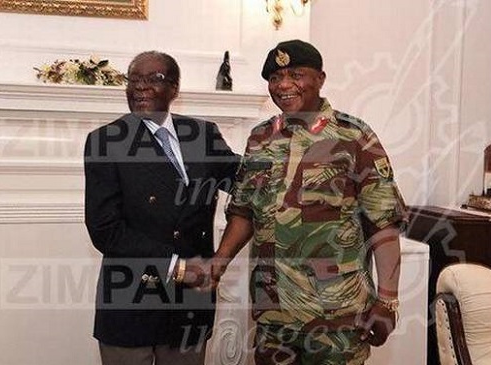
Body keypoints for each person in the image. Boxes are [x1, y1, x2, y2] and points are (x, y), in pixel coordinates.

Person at [211, 40, 407, 364]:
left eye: (296, 74)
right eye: (275, 78)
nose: (284, 85)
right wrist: (218, 263)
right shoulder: (260, 138)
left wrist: (388, 301)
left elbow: (383, 222)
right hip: (273, 315)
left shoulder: (354, 137)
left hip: (337, 316)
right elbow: (244, 210)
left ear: (321, 78)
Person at [84, 51, 239, 365]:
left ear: (175, 89)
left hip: (190, 306)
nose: (140, 87)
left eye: (153, 79)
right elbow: (105, 230)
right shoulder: (107, 142)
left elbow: (247, 183)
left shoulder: (204, 134)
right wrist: (178, 268)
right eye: (134, 80)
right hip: (132, 302)